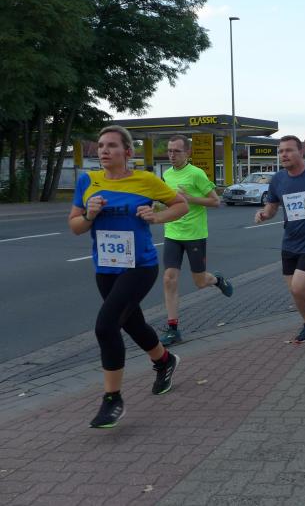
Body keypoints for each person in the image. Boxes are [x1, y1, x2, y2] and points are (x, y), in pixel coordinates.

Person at [68, 125, 189, 428]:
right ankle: (164, 361)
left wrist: (156, 217)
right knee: (132, 324)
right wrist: (89, 215)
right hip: (105, 268)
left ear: (127, 151)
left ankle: (113, 399)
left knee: (106, 326)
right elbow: (75, 226)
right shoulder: (87, 181)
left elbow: (181, 205)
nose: (104, 151)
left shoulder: (145, 180)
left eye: (111, 145)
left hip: (140, 266)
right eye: (100, 145)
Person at [255, 136, 305, 343]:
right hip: (290, 240)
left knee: (299, 286)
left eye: (289, 150)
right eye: (281, 151)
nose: (284, 155)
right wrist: (264, 214)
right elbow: (272, 205)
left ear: (300, 152)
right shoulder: (278, 179)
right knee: (294, 290)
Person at [159, 135, 233, 346]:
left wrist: (190, 199)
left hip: (195, 235)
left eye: (177, 151)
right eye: (169, 151)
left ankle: (217, 280)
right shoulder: (166, 175)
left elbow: (216, 201)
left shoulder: (196, 174)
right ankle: (173, 328)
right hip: (172, 233)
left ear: (188, 153)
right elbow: (167, 202)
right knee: (169, 279)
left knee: (200, 282)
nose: (172, 155)